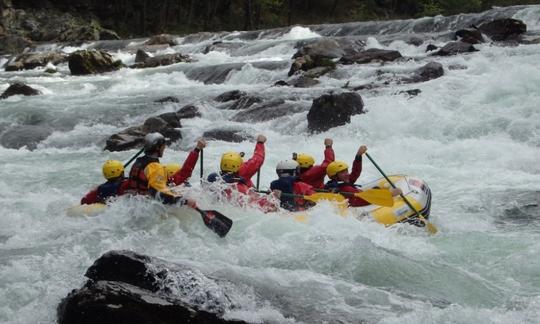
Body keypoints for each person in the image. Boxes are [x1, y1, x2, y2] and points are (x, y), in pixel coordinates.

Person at [207, 134, 277, 212]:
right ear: (239, 165)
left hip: (225, 206)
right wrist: (260, 143)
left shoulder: (216, 179)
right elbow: (257, 159)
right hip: (247, 204)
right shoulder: (243, 172)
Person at [127, 132, 196, 207]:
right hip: (148, 207)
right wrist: (184, 201)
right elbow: (159, 195)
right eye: (163, 146)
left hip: (134, 203)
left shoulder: (138, 162)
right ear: (157, 148)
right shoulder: (155, 167)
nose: (164, 147)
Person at [325, 145, 401, 207]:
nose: (347, 174)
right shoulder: (345, 188)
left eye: (346, 171)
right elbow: (362, 200)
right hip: (360, 207)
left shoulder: (341, 182)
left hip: (359, 199)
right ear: (335, 176)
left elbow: (355, 172)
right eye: (342, 172)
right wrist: (390, 195)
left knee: (376, 188)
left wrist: (358, 156)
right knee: (376, 190)